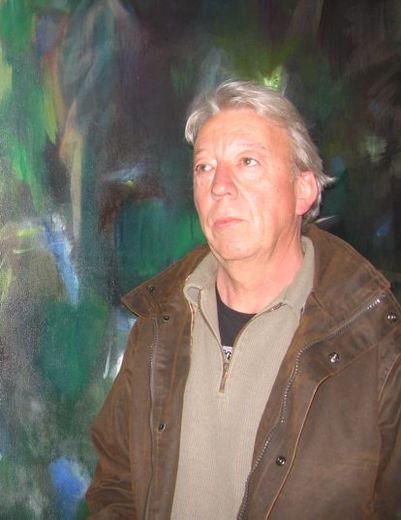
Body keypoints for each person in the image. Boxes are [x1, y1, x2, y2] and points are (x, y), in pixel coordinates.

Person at [86, 80, 401, 519]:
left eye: (247, 161)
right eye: (204, 167)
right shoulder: (157, 324)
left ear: (304, 190)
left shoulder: (377, 344)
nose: (219, 186)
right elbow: (115, 483)